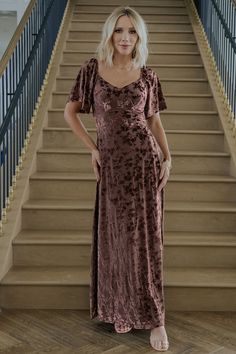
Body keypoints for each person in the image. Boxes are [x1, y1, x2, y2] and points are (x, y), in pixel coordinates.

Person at [64, 6, 172, 352]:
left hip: (144, 163)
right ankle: (120, 307)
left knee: (147, 241)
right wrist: (92, 149)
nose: (126, 37)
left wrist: (167, 156)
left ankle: (157, 320)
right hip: (111, 166)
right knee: (116, 240)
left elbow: (153, 120)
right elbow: (70, 112)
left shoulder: (147, 74)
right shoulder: (91, 70)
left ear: (140, 36)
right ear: (110, 33)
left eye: (132, 32)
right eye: (119, 30)